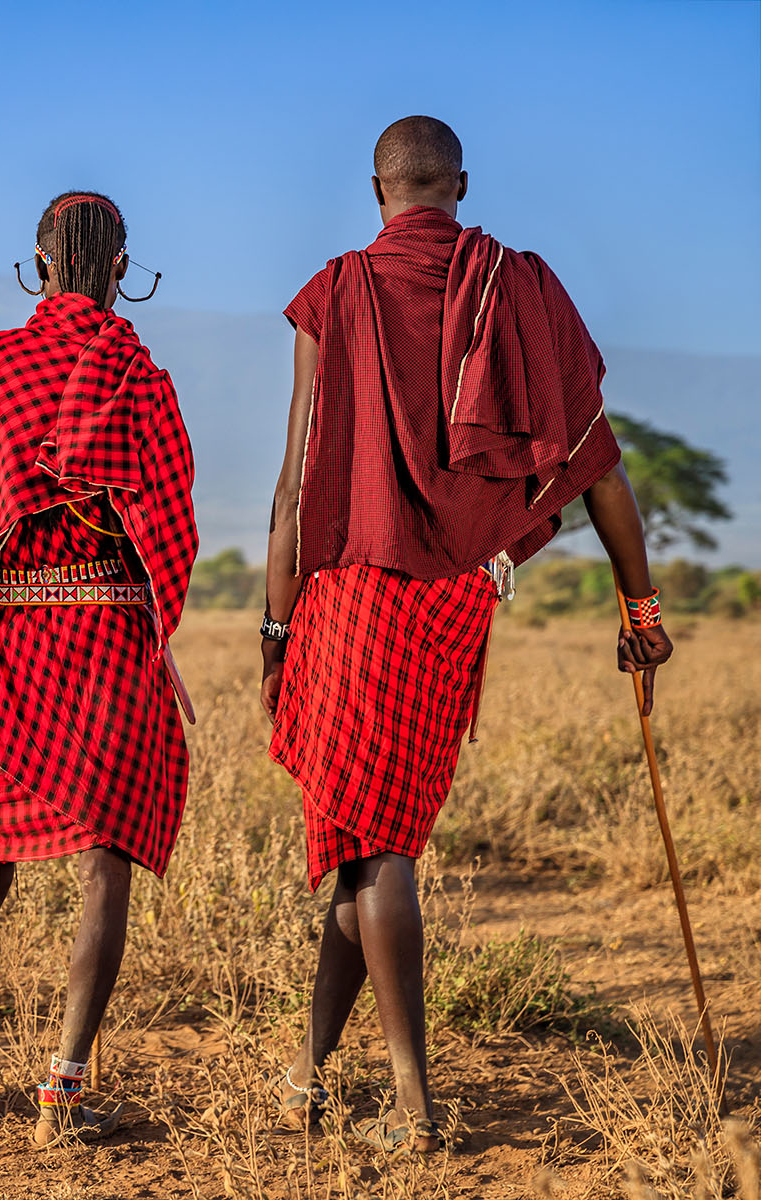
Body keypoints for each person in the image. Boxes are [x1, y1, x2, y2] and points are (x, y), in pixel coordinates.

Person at [261, 116, 674, 1153]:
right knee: (367, 848)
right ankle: (310, 1076)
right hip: (453, 601)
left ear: (377, 190)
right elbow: (596, 464)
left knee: (379, 849)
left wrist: (274, 627)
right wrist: (642, 611)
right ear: (460, 186)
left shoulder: (337, 293)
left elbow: (296, 482)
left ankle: (412, 1104)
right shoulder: (521, 285)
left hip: (350, 598)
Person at [0, 191, 196, 1147]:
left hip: (17, 646)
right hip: (117, 644)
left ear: (37, 261)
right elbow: (166, 527)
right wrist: (156, 639)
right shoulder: (144, 380)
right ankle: (62, 1093)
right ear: (123, 268)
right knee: (103, 869)